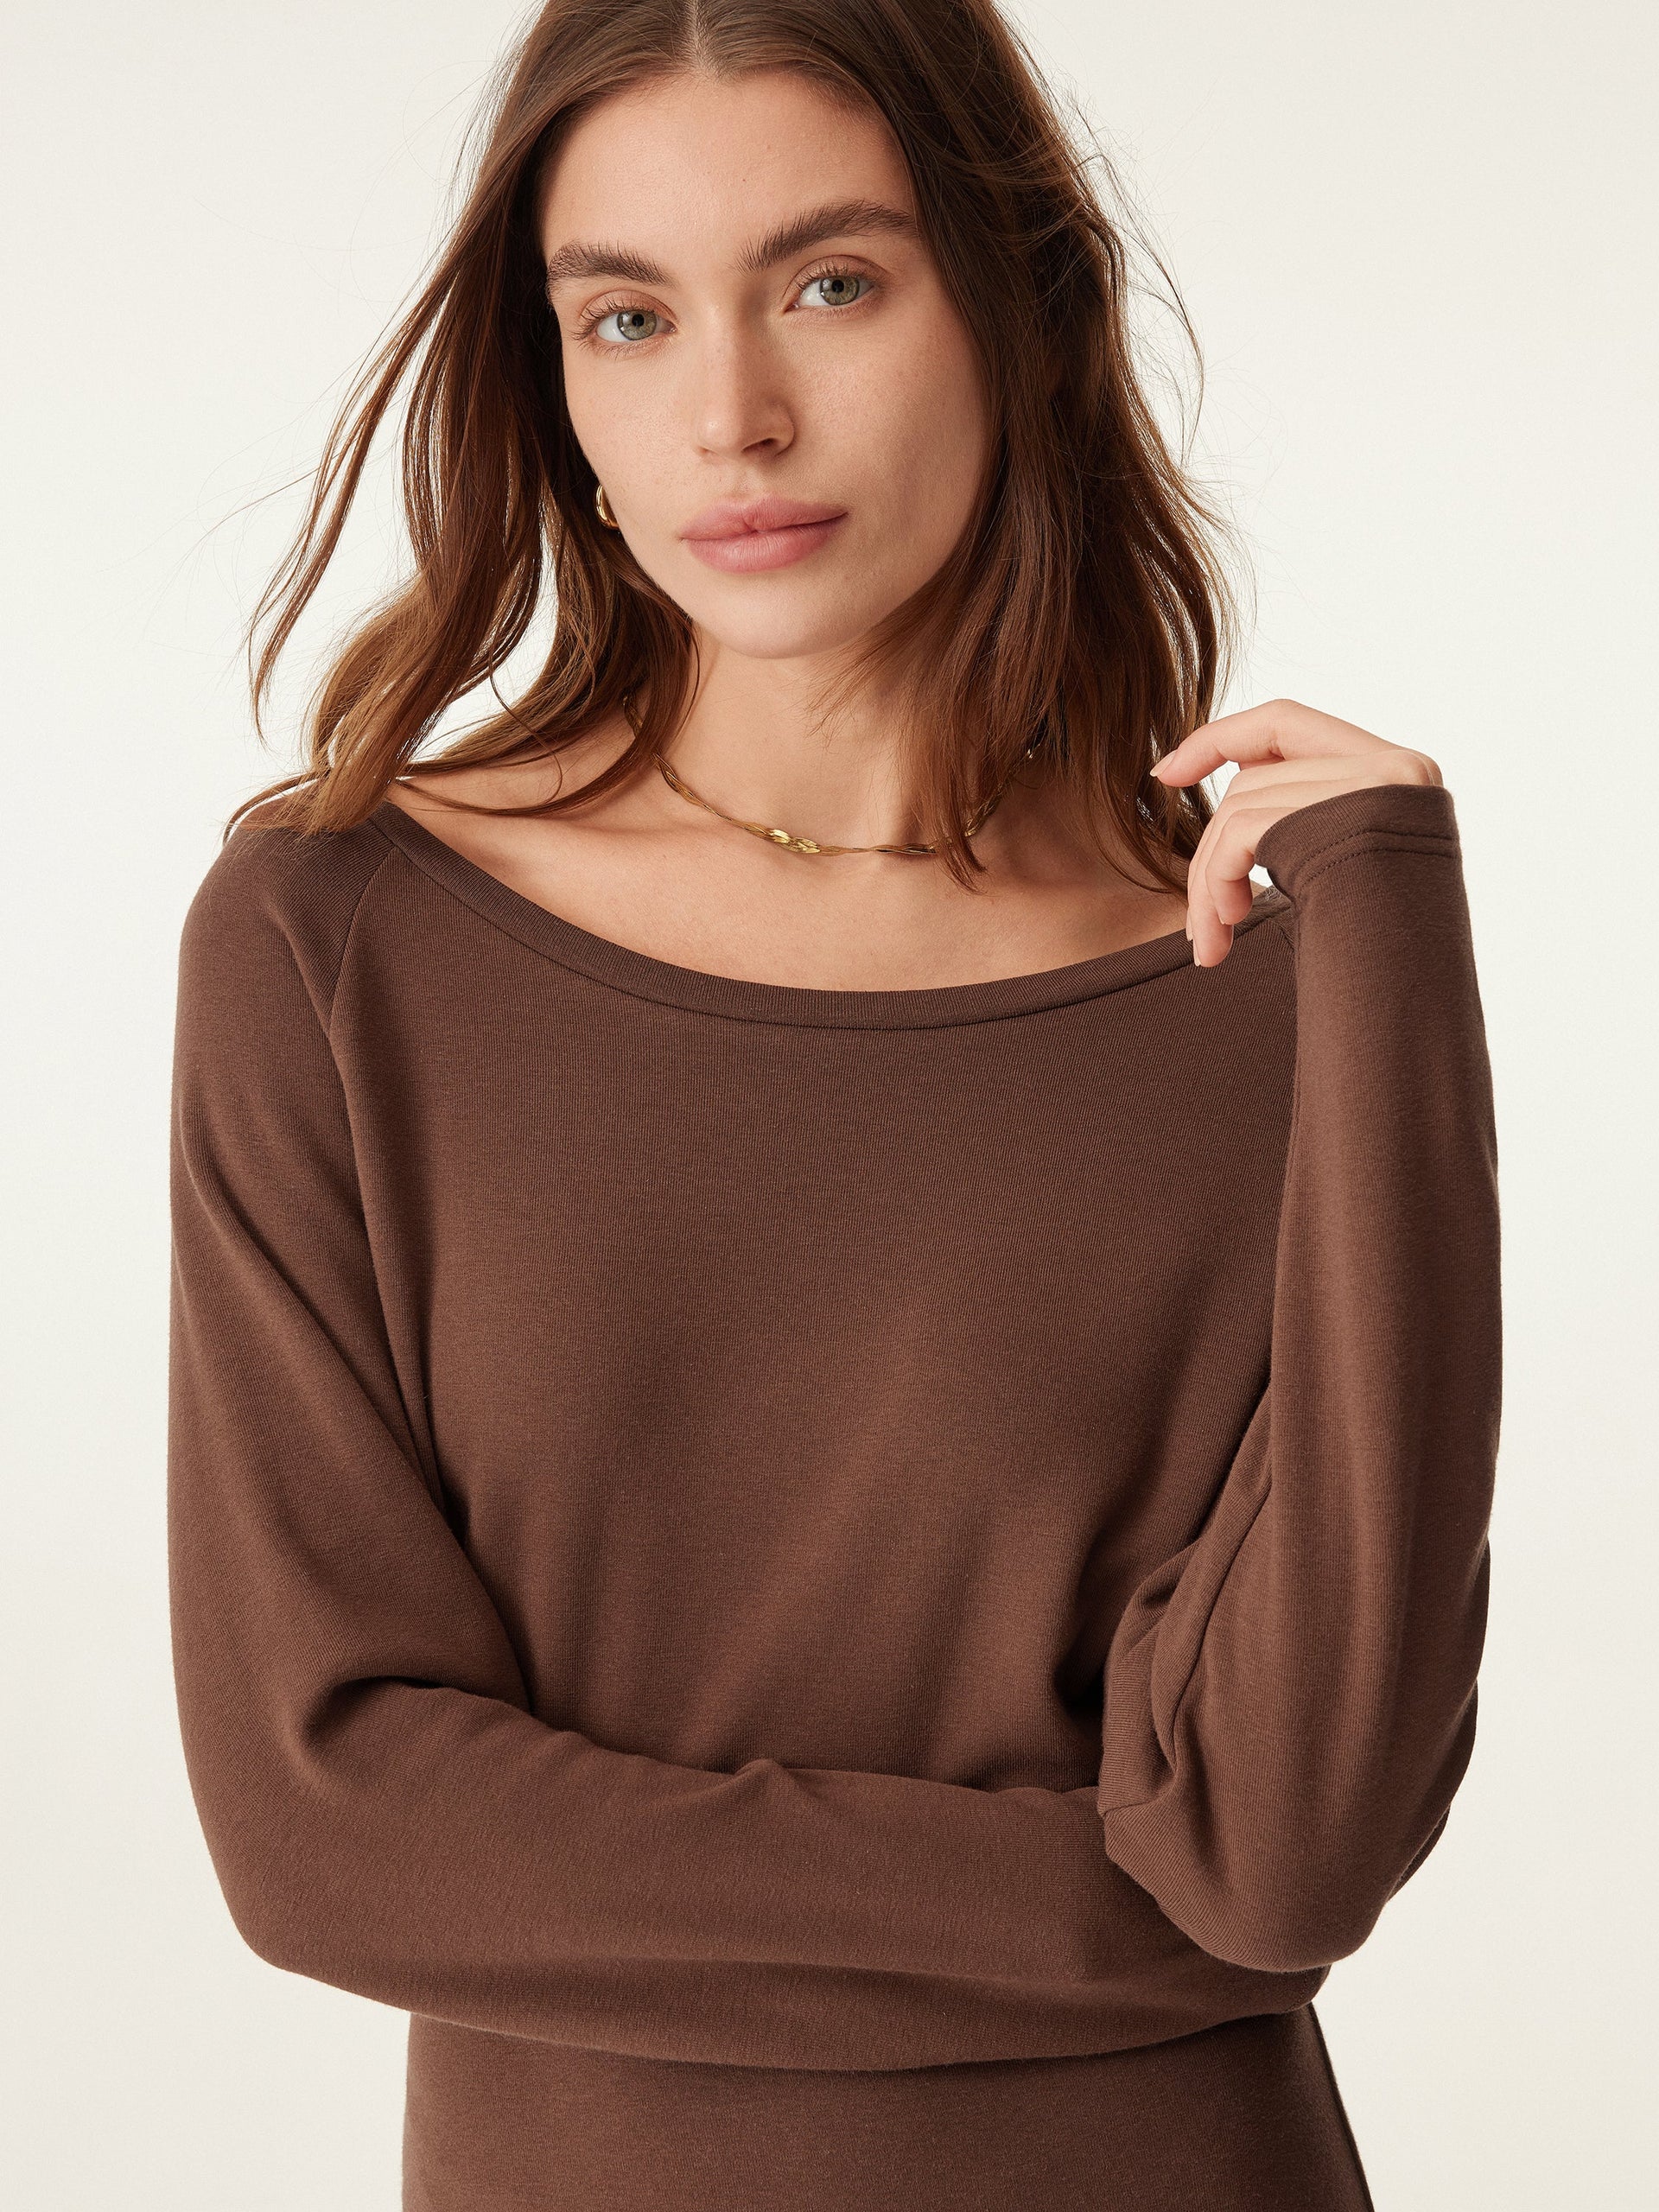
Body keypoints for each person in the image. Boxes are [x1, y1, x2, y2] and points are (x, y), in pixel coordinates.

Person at [165, 3, 1502, 2207]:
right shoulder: (339, 945)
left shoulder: (1264, 975)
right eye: (627, 315)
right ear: (555, 385)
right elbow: (336, 1826)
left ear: (1020, 309)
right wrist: (1137, 1902)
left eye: (833, 282)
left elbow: (1301, 1839)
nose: (733, 415)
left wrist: (1391, 937)